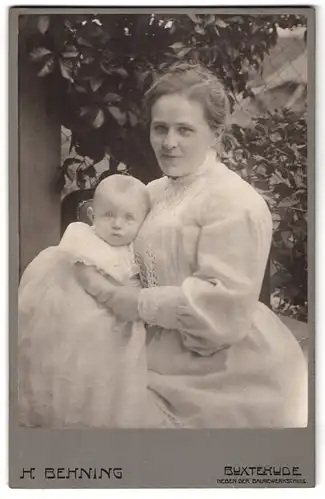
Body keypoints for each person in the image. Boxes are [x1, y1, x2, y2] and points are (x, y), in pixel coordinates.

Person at [76, 63, 308, 428]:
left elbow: (221, 308)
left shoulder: (234, 201)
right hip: (149, 347)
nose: (169, 142)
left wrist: (134, 303)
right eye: (160, 128)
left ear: (215, 133)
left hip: (222, 367)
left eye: (185, 130)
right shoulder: (153, 193)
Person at [18, 175, 151, 428]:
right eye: (108, 216)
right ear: (92, 215)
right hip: (75, 301)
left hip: (114, 314)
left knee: (111, 366)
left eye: (128, 218)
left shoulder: (134, 249)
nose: (117, 225)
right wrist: (115, 296)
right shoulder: (84, 238)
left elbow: (135, 280)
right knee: (67, 351)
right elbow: (86, 275)